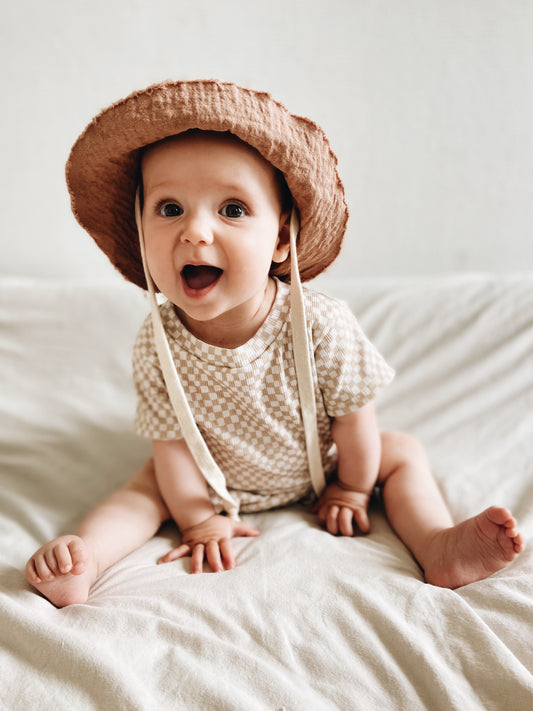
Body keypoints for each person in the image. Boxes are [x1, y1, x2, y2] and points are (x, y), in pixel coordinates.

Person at [25, 81, 523, 607]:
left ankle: (436, 543)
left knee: (401, 454)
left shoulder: (319, 324)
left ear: (282, 239)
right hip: (211, 478)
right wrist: (197, 518)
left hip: (322, 469)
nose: (195, 232)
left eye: (232, 209)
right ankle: (86, 559)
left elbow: (355, 420)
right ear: (141, 234)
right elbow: (172, 446)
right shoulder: (158, 341)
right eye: (169, 208)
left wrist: (352, 488)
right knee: (147, 487)